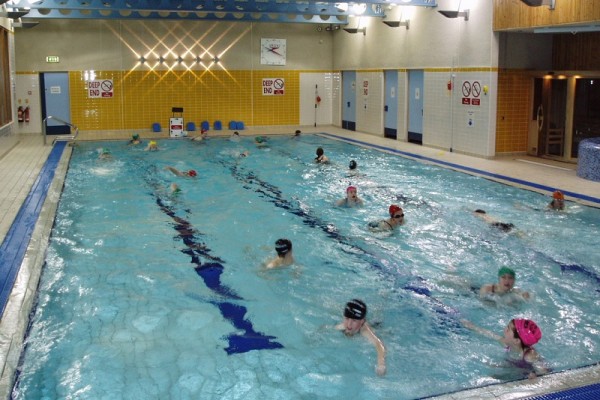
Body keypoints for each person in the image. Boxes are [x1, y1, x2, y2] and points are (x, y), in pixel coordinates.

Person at [461, 318, 547, 379]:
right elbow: (490, 334)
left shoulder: (529, 355)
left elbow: (544, 372)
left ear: (517, 340)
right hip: (514, 367)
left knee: (495, 378)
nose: (505, 329)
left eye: (508, 329)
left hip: (524, 373)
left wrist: (535, 375)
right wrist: (472, 326)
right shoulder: (508, 343)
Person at [335, 299, 386, 376]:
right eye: (347, 318)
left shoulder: (364, 331)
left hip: (374, 326)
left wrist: (381, 364)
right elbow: (324, 329)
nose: (349, 324)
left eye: (354, 320)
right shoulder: (341, 327)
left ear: (362, 321)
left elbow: (379, 345)